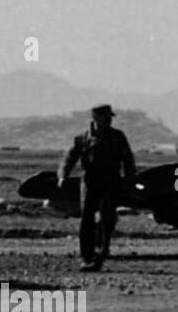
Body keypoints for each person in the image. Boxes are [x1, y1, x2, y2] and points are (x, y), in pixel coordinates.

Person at [58, 104, 136, 271]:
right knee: (87, 219)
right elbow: (69, 158)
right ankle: (87, 257)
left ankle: (101, 253)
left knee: (107, 217)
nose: (109, 120)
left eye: (110, 117)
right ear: (96, 118)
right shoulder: (82, 138)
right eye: (106, 117)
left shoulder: (117, 136)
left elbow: (128, 160)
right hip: (89, 182)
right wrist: (63, 176)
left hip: (110, 182)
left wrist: (129, 180)